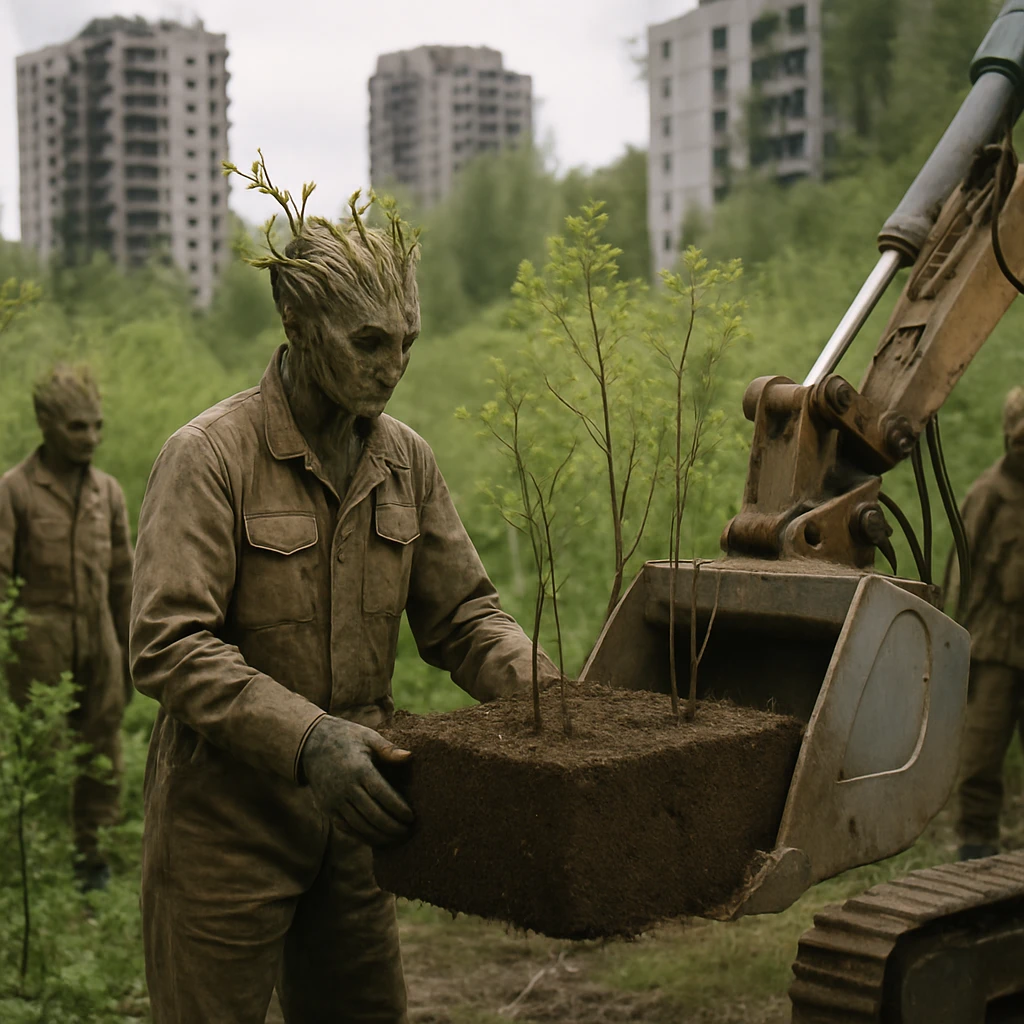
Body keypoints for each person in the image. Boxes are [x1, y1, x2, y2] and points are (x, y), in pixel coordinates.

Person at [129, 166, 557, 1024]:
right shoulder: (210, 457)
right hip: (225, 821)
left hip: (358, 823)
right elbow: (169, 643)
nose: (394, 366)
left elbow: (465, 616)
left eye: (407, 340)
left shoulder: (405, 460)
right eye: (369, 343)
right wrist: (309, 739)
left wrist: (544, 693)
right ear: (295, 323)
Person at [0, 364, 134, 892]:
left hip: (98, 633)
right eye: (79, 427)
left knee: (102, 748)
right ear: (46, 423)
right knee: (43, 752)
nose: (91, 438)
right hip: (38, 640)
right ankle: (42, 864)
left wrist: (127, 651)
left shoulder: (108, 492)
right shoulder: (15, 491)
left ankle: (92, 860)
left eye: (97, 425)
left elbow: (125, 577)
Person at [952, 386, 1024, 861]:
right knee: (979, 762)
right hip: (996, 648)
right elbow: (963, 576)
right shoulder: (988, 495)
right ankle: (975, 862)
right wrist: (957, 650)